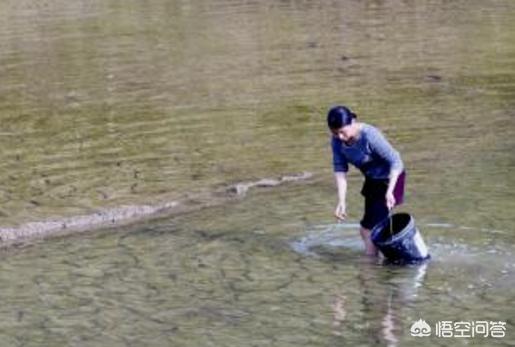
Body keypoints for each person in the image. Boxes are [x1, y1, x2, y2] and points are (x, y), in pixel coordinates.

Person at [327, 105, 406, 256]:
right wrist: (341, 201)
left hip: (391, 178)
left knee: (368, 229)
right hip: (372, 179)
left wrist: (390, 191)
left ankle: (370, 267)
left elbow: (396, 160)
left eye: (342, 132)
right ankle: (379, 260)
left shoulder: (369, 135)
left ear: (352, 122)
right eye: (335, 133)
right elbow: (340, 169)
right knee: (368, 229)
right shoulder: (337, 141)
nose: (340, 137)